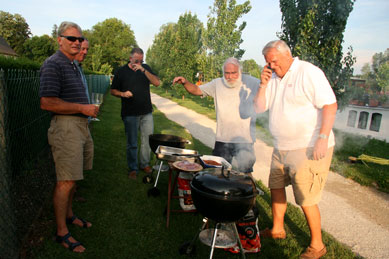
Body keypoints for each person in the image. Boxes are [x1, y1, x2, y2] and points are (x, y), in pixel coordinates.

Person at [254, 40, 337, 259]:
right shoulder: (272, 78)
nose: (271, 65)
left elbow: (330, 105)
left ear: (288, 55)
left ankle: (317, 245)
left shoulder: (308, 72)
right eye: (267, 62)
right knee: (276, 187)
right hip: (281, 145)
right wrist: (262, 85)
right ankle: (277, 229)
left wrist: (322, 137)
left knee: (306, 197)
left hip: (308, 146)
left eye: (274, 60)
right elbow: (260, 107)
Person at [39, 21, 96, 253]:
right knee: (66, 180)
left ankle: (70, 215)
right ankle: (62, 232)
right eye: (71, 38)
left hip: (80, 127)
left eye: (79, 39)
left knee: (74, 177)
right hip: (66, 128)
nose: (77, 43)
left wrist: (85, 112)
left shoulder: (72, 64)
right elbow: (47, 102)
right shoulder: (53, 64)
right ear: (59, 40)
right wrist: (82, 109)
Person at [173, 57, 259, 174]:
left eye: (233, 73)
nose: (229, 77)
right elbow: (197, 90)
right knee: (218, 173)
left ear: (240, 71)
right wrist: (185, 82)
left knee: (246, 173)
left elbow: (268, 93)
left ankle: (251, 191)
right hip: (223, 138)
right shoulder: (217, 83)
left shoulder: (252, 82)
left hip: (245, 139)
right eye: (226, 73)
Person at [110, 47, 160, 179]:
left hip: (146, 112)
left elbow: (157, 83)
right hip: (130, 113)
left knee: (147, 141)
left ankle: (145, 164)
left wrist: (144, 70)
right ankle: (133, 168)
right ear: (130, 58)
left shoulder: (145, 68)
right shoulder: (121, 71)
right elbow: (113, 90)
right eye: (136, 60)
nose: (138, 63)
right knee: (132, 143)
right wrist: (122, 94)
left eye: (141, 61)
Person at [73, 39, 90, 202]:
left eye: (86, 49)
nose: (84, 52)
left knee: (81, 161)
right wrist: (82, 108)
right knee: (72, 166)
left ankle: (75, 190)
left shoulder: (78, 68)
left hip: (83, 122)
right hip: (70, 126)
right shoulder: (61, 66)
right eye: (82, 49)